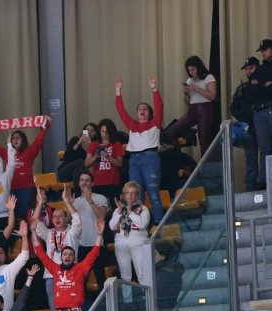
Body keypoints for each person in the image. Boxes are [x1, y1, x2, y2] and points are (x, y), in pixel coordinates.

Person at [31, 216, 104, 311]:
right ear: (61, 257)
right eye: (65, 255)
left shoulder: (80, 269)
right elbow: (40, 253)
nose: (68, 256)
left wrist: (99, 235)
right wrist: (32, 232)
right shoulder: (55, 269)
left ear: (74, 258)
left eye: (70, 255)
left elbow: (94, 254)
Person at [115, 77, 164, 224]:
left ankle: (158, 225)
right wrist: (118, 92)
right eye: (140, 109)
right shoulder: (132, 125)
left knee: (154, 195)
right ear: (137, 113)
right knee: (136, 196)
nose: (142, 110)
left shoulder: (155, 123)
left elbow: (159, 106)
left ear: (149, 113)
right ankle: (140, 225)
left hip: (150, 158)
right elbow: (121, 111)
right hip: (134, 160)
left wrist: (154, 89)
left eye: (145, 109)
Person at [0, 118, 50, 217]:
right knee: (13, 216)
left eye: (18, 138)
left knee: (26, 216)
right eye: (13, 138)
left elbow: (38, 141)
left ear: (23, 139)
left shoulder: (29, 151)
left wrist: (45, 128)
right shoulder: (8, 153)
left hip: (26, 189)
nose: (15, 140)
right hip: (10, 189)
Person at [32, 186, 82, 311]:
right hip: (51, 276)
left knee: (72, 309)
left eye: (60, 216)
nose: (57, 219)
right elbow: (34, 223)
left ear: (66, 218)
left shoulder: (72, 232)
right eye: (54, 217)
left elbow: (77, 219)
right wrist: (39, 203)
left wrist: (67, 201)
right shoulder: (48, 233)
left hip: (70, 275)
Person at [164, 56, 218, 155]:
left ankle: (204, 168)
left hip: (205, 109)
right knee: (171, 132)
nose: (191, 73)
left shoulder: (208, 77)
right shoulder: (189, 80)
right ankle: (179, 158)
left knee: (204, 141)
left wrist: (197, 89)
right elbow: (187, 102)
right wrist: (186, 93)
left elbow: (212, 96)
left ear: (199, 67)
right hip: (192, 109)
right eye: (189, 70)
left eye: (193, 69)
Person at [109, 181, 151, 304]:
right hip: (121, 244)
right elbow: (111, 226)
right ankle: (128, 302)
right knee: (125, 275)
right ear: (124, 195)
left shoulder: (143, 208)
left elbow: (143, 224)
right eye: (127, 193)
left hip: (138, 243)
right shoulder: (118, 210)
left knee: (141, 273)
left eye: (133, 193)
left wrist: (130, 212)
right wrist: (119, 212)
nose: (130, 196)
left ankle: (146, 299)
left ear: (137, 195)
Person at [73, 171, 108, 291]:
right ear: (78, 183)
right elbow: (67, 220)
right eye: (82, 180)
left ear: (92, 183)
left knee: (100, 278)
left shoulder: (100, 198)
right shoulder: (75, 201)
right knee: (80, 279)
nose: (84, 182)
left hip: (96, 243)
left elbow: (101, 216)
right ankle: (83, 307)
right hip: (81, 245)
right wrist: (68, 203)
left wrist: (90, 200)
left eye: (87, 180)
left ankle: (104, 306)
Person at [232, 57, 263, 192]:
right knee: (251, 159)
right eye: (247, 69)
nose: (249, 71)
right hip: (250, 128)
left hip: (264, 126)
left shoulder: (265, 85)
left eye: (251, 68)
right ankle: (251, 190)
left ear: (258, 68)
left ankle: (265, 184)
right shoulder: (242, 88)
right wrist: (245, 120)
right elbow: (233, 108)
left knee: (267, 156)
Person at [84, 118, 125, 206]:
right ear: (99, 131)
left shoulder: (117, 144)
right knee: (99, 209)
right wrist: (96, 156)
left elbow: (120, 163)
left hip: (113, 182)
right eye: (103, 131)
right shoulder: (94, 144)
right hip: (98, 182)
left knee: (116, 208)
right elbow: (87, 163)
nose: (105, 134)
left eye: (107, 132)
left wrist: (108, 156)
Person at [249, 39, 272, 183]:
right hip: (259, 112)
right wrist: (266, 85)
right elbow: (251, 90)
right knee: (264, 149)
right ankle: (264, 182)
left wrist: (261, 86)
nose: (263, 53)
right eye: (261, 50)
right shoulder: (260, 70)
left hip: (269, 107)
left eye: (265, 49)